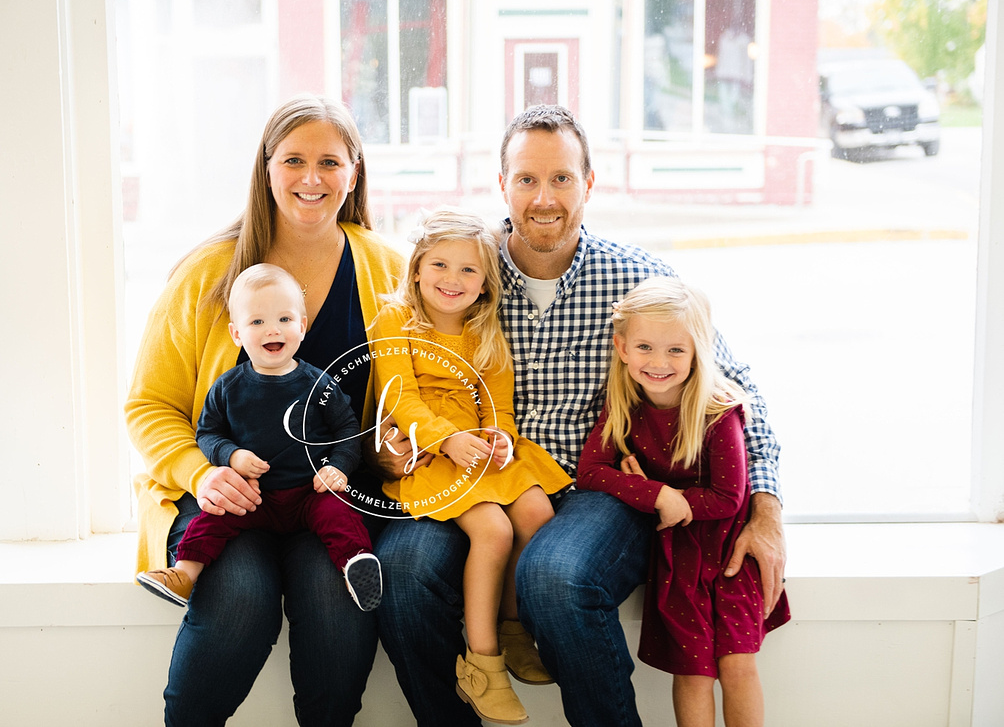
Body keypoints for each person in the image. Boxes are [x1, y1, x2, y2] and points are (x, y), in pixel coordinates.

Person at [373, 104, 785, 727]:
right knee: (401, 570)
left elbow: (734, 388)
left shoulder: (636, 277)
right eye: (526, 179)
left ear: (589, 184)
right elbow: (394, 381)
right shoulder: (460, 274)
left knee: (557, 574)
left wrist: (766, 508)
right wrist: (390, 448)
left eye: (562, 178)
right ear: (502, 184)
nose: (544, 198)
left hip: (597, 488)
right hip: (465, 476)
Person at [125, 94, 404, 727]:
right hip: (226, 496)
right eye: (294, 161)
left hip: (328, 495)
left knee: (338, 601)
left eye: (329, 162)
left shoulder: (390, 271)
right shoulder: (208, 273)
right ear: (266, 169)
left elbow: (404, 402)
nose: (311, 179)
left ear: (354, 172)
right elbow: (149, 404)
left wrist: (392, 447)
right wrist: (202, 473)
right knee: (240, 598)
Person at [370, 208, 572, 724]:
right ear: (415, 269)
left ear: (485, 283)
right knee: (493, 530)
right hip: (430, 453)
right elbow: (402, 401)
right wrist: (447, 439)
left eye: (468, 270)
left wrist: (500, 437)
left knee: (536, 514)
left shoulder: (486, 328)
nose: (451, 280)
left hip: (479, 449)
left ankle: (511, 624)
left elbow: (496, 401)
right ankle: (484, 665)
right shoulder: (395, 322)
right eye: (439, 265)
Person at [576, 277, 790, 727]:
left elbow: (728, 499)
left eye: (676, 350)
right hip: (676, 559)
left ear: (698, 350)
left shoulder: (717, 409)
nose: (658, 362)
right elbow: (591, 472)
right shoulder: (622, 406)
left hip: (728, 553)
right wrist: (657, 494)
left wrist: (673, 503)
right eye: (646, 348)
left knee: (736, 665)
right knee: (692, 672)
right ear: (622, 348)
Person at [135, 264, 382, 612]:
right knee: (212, 517)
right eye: (257, 322)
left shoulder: (319, 385)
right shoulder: (227, 387)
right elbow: (207, 433)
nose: (272, 330)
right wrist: (231, 456)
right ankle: (183, 575)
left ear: (302, 326)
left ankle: (356, 568)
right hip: (252, 496)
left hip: (309, 493)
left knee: (339, 515)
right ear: (236, 334)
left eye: (284, 319)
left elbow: (346, 431)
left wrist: (338, 467)